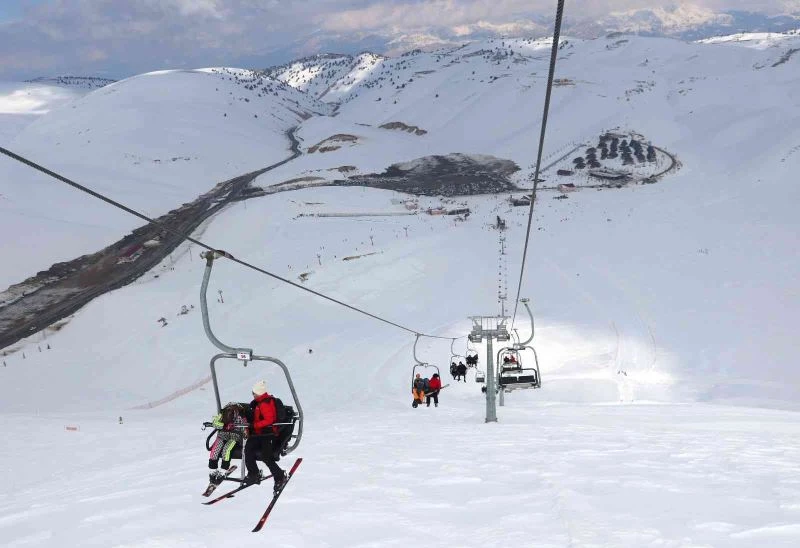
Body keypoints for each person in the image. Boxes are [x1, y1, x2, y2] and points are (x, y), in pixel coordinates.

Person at [244, 380, 287, 493]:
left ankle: (280, 476)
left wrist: (255, 425)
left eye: (254, 393)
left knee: (266, 456)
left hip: (268, 434)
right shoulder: (259, 402)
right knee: (248, 449)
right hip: (259, 433)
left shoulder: (265, 403)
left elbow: (269, 420)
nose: (253, 395)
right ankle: (254, 473)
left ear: (259, 392)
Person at [208, 402, 249, 484]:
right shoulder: (223, 413)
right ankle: (213, 470)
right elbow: (215, 422)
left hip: (235, 436)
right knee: (215, 450)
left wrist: (243, 432)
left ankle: (223, 469)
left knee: (226, 450)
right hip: (223, 435)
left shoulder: (240, 415)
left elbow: (245, 427)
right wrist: (224, 426)